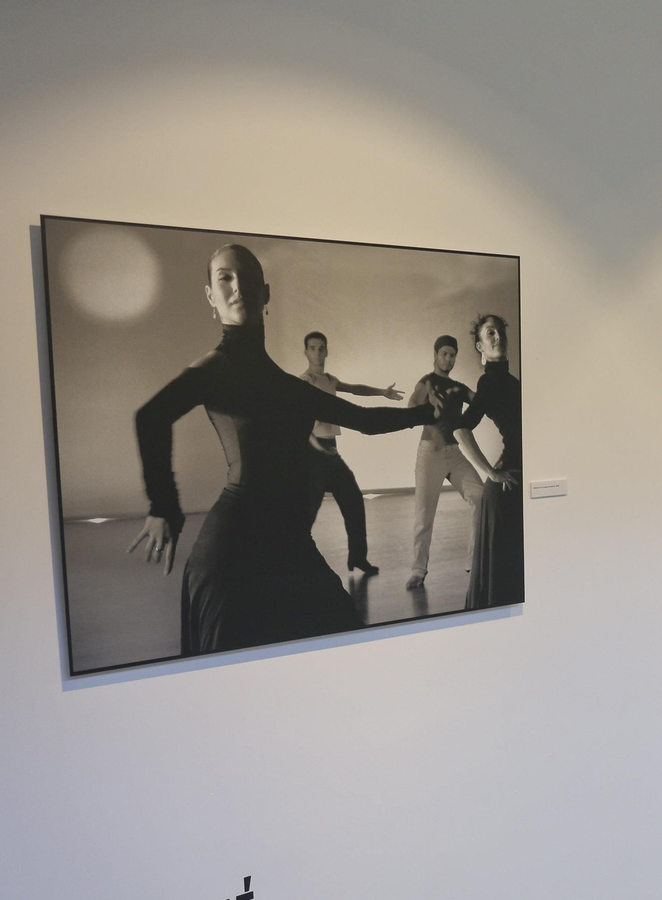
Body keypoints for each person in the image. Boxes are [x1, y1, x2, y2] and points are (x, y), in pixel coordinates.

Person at [129, 244, 438, 655]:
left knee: (342, 646)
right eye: (225, 278)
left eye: (247, 277)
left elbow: (364, 421)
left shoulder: (289, 387)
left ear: (266, 293)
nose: (237, 286)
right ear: (210, 296)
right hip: (233, 555)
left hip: (290, 546)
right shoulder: (216, 368)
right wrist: (163, 506)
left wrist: (425, 414)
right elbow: (151, 417)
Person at [299, 331, 403, 577]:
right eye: (312, 348)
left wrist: (382, 392)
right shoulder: (304, 381)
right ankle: (293, 564)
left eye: (321, 348)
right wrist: (311, 443)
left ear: (326, 351)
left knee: (354, 500)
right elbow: (297, 418)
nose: (317, 353)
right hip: (313, 456)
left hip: (331, 452)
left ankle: (357, 557)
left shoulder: (330, 380)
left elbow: (356, 389)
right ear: (305, 352)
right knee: (307, 513)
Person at [452, 315, 524, 610]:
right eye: (490, 333)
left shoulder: (510, 381)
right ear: (480, 346)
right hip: (507, 486)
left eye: (501, 331)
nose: (498, 337)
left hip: (516, 481)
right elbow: (460, 429)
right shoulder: (490, 381)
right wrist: (491, 473)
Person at [406, 335, 481, 590]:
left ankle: (475, 561)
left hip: (454, 453)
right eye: (444, 354)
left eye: (452, 355)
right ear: (436, 355)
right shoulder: (427, 381)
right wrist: (428, 403)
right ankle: (418, 570)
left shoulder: (459, 388)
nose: (448, 359)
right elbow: (412, 405)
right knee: (424, 515)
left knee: (481, 498)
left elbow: (482, 401)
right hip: (430, 452)